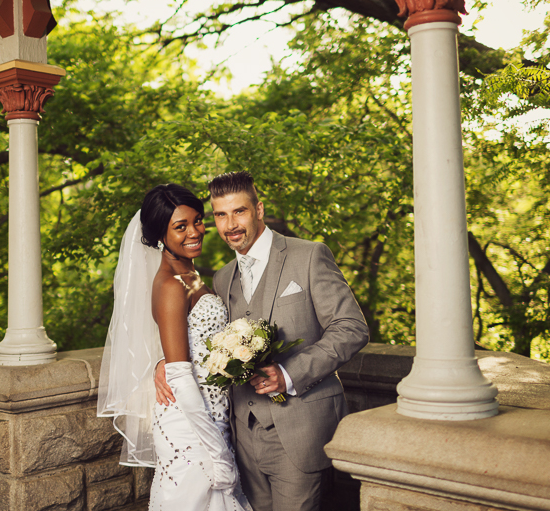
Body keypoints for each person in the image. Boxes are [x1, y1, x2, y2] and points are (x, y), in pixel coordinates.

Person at [155, 172, 369, 511]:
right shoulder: (223, 277)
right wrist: (164, 362)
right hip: (240, 437)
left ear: (259, 210)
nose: (230, 225)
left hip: (299, 431)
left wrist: (288, 374)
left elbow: (352, 328)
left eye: (238, 211)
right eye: (220, 215)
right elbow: (202, 338)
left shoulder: (309, 256)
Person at [97, 184, 252, 511]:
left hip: (210, 416)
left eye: (197, 220)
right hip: (189, 425)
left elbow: (188, 343)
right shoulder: (170, 283)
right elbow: (181, 377)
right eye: (180, 227)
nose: (195, 232)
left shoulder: (189, 272)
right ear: (158, 236)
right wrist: (218, 453)